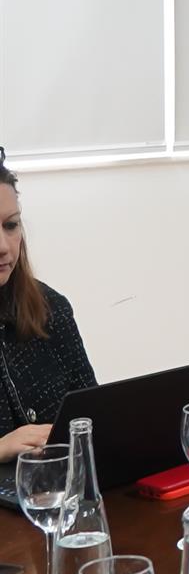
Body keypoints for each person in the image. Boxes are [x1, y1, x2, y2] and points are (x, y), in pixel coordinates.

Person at [0, 155, 96, 461]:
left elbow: (94, 420)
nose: (3, 246)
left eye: (11, 225)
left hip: (57, 496)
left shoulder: (51, 308)